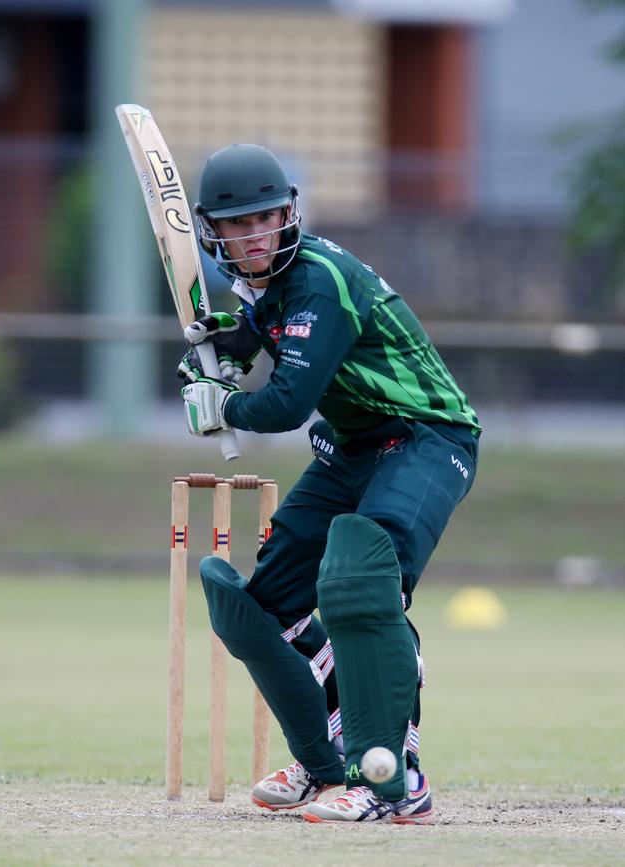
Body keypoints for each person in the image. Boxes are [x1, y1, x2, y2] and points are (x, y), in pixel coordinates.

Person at [179, 143, 480, 824]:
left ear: (289, 213)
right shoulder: (263, 293)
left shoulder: (317, 277)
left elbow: (284, 403)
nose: (255, 235)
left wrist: (223, 407)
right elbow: (254, 340)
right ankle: (329, 765)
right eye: (238, 225)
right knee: (261, 605)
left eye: (266, 218)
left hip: (428, 436)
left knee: (359, 575)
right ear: (214, 232)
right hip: (355, 445)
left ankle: (393, 781)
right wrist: (212, 359)